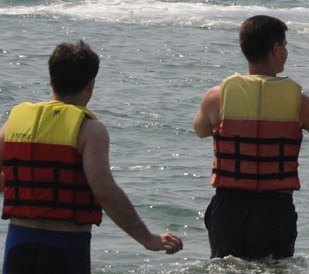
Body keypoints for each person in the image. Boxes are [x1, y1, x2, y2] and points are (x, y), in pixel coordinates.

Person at [0, 41, 183, 274]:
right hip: (65, 248)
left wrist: (26, 181)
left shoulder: (13, 123)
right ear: (91, 85)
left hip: (18, 245)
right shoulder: (90, 130)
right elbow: (104, 190)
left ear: (50, 80)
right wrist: (147, 238)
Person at [193, 15, 309, 260]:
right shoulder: (298, 102)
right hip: (274, 210)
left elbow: (200, 129)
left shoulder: (216, 97)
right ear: (275, 49)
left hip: (229, 208)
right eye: (284, 45)